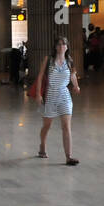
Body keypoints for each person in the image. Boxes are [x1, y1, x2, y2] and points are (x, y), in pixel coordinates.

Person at [34, 36, 82, 165]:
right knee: (47, 125)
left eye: (64, 44)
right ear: (55, 47)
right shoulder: (49, 60)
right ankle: (42, 146)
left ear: (67, 47)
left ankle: (69, 156)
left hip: (64, 95)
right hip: (50, 96)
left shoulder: (69, 61)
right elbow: (40, 77)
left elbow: (72, 75)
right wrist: (38, 94)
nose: (61, 47)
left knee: (66, 126)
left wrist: (76, 86)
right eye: (59, 44)